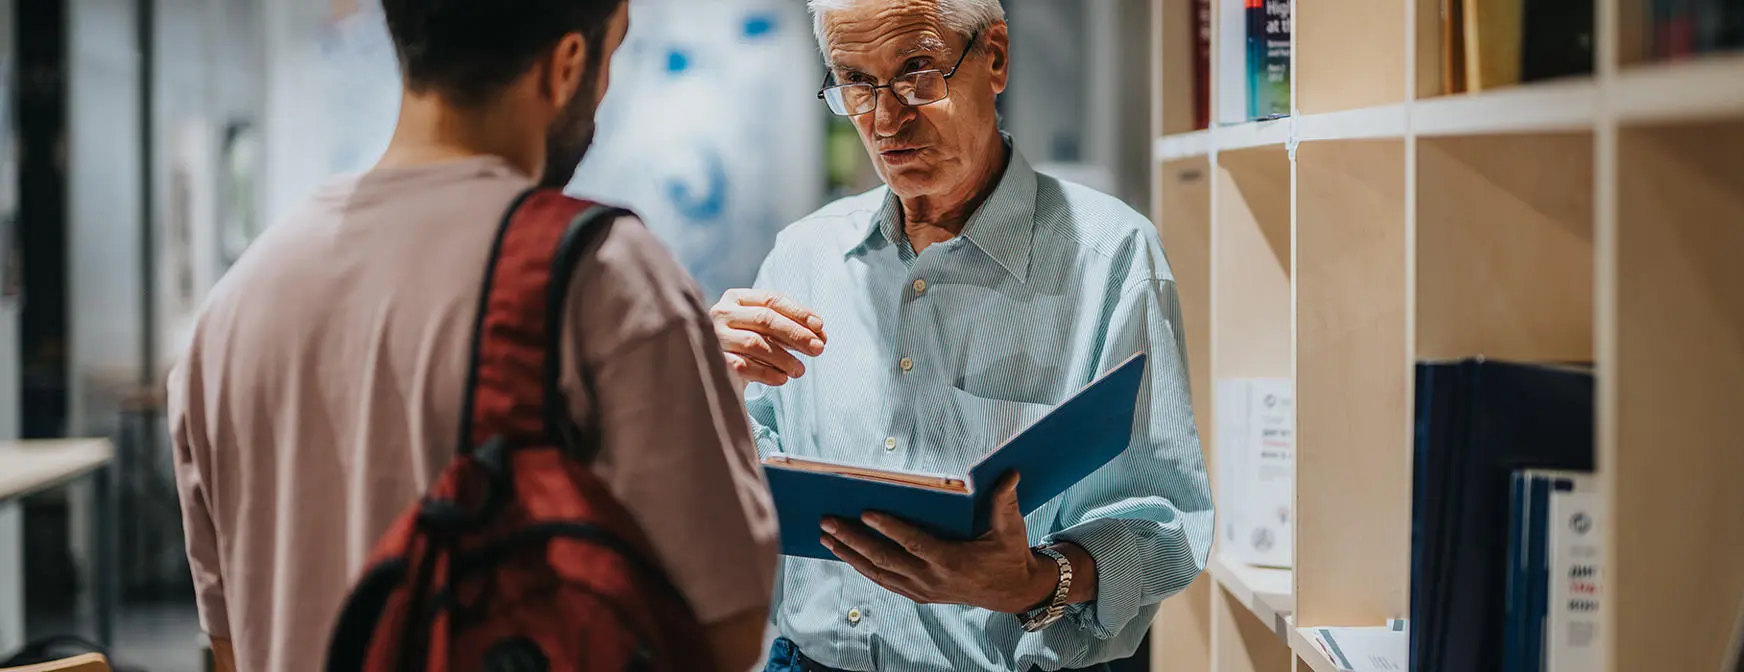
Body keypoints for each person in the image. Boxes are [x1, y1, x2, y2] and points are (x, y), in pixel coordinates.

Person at [167, 1, 779, 670]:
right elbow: (724, 630)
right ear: (568, 63)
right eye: (612, 56)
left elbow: (229, 646)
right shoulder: (603, 276)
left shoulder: (228, 312)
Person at [709, 1, 1214, 670]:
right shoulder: (802, 256)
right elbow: (741, 502)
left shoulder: (1109, 254)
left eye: (918, 72)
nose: (886, 120)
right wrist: (715, 390)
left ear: (995, 56)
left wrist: (1038, 579)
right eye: (856, 81)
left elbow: (1167, 520)